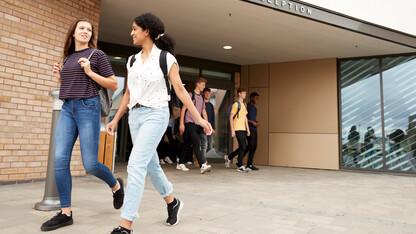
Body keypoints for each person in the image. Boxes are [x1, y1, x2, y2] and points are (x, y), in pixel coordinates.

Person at [105, 13, 212, 234]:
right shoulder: (132, 60)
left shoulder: (166, 59)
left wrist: (200, 119)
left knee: (135, 164)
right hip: (134, 116)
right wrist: (115, 119)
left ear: (147, 31)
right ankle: (173, 202)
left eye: (135, 28)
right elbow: (127, 93)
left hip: (156, 114)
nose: (131, 32)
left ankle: (126, 224)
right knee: (151, 165)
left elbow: (181, 91)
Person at [41, 17, 124, 231]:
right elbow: (68, 87)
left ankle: (116, 186)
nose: (85, 31)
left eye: (89, 29)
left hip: (89, 108)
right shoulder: (68, 57)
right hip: (68, 108)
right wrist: (60, 77)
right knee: (60, 160)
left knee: (90, 164)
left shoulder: (97, 55)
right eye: (81, 28)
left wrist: (90, 72)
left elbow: (114, 84)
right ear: (73, 32)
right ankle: (65, 212)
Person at [178, 77, 212, 173]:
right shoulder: (190, 95)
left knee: (188, 143)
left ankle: (180, 163)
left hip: (197, 123)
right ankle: (202, 165)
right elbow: (184, 109)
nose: (204, 86)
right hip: (189, 122)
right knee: (197, 142)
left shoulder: (201, 97)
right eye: (203, 84)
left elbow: (203, 111)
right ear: (197, 84)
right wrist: (181, 124)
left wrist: (207, 124)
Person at [224, 86, 250, 173]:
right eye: (243, 93)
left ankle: (229, 157)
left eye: (245, 93)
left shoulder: (244, 104)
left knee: (243, 146)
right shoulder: (236, 104)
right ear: (239, 93)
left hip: (243, 128)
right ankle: (240, 165)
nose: (245, 95)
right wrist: (232, 130)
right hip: (237, 128)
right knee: (243, 146)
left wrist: (248, 129)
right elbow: (231, 117)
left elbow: (245, 117)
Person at [244, 92, 260, 171]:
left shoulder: (255, 108)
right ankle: (240, 159)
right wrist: (252, 122)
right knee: (250, 146)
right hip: (249, 129)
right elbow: (245, 118)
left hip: (254, 129)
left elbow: (253, 118)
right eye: (255, 98)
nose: (257, 100)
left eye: (257, 98)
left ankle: (250, 164)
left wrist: (256, 122)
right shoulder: (247, 106)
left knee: (254, 146)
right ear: (251, 98)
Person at [200, 87, 216, 159]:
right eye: (206, 93)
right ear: (203, 94)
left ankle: (199, 157)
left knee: (209, 146)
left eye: (209, 93)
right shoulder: (201, 104)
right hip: (202, 127)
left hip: (210, 128)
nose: (207, 95)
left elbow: (213, 118)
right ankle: (202, 161)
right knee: (204, 144)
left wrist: (213, 128)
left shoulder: (211, 105)